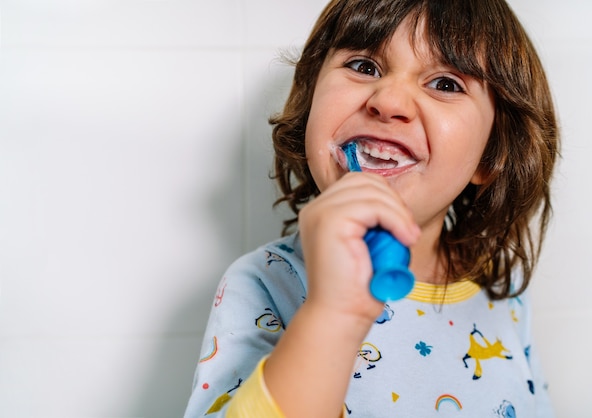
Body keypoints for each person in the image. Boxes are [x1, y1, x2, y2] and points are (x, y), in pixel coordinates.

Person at [184, 0, 559, 416]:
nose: (389, 101)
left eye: (446, 84)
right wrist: (333, 315)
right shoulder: (264, 283)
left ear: (491, 155)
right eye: (364, 66)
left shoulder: (502, 292)